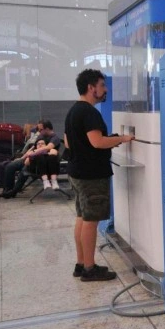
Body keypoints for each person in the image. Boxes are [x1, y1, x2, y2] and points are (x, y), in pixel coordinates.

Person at [65, 69, 133, 282]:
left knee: (82, 217)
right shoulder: (89, 113)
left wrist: (107, 140)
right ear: (90, 87)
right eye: (102, 85)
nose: (106, 90)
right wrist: (121, 138)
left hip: (77, 172)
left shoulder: (73, 111)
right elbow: (97, 142)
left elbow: (68, 141)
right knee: (91, 221)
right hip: (91, 176)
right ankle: (89, 268)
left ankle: (80, 264)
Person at [0, 120, 61, 199]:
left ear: (47, 129)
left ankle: (13, 191)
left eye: (41, 129)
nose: (39, 131)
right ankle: (7, 190)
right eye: (38, 129)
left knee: (24, 170)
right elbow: (33, 147)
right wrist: (22, 158)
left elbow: (48, 147)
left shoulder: (55, 138)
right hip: (31, 156)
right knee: (10, 166)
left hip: (40, 161)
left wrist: (33, 153)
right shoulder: (41, 135)